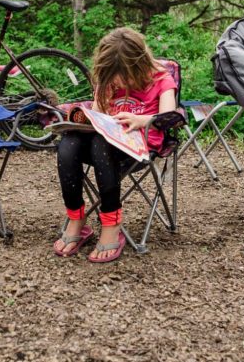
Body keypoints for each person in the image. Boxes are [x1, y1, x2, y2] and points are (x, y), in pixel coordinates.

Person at [53, 27, 178, 263]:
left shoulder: (162, 79)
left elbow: (168, 118)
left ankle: (111, 224)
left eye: (125, 76)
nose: (119, 81)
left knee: (101, 143)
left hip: (140, 146)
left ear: (139, 65)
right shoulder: (109, 78)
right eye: (114, 76)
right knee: (69, 144)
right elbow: (99, 117)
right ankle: (76, 219)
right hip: (106, 143)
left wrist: (141, 120)